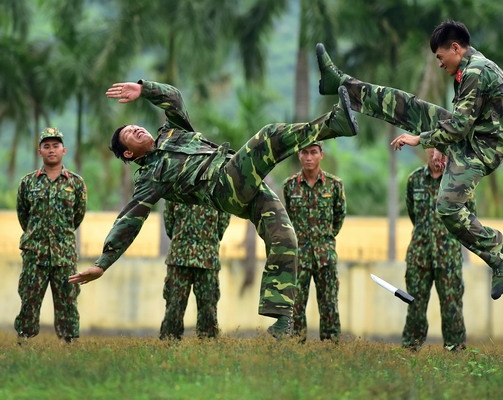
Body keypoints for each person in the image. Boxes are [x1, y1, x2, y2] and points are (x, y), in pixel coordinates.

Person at [68, 80, 358, 337]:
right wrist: (102, 262)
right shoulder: (150, 176)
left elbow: (175, 99)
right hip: (223, 185)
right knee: (268, 136)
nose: (135, 128)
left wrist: (144, 90)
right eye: (129, 134)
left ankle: (282, 321)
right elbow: (129, 218)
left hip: (243, 179)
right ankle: (335, 124)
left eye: (134, 126)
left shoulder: (172, 133)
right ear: (129, 153)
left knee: (284, 237)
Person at [316, 20, 503, 300]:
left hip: (479, 148)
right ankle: (340, 83)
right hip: (473, 137)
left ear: (456, 48)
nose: (439, 64)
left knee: (447, 208)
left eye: (440, 56)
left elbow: (459, 125)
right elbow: (461, 123)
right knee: (407, 107)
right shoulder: (474, 66)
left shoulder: (474, 71)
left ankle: (498, 255)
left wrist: (419, 139)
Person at [15, 128, 87, 344]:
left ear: (64, 150)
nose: (51, 150)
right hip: (34, 253)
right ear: (40, 152)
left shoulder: (75, 183)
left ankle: (68, 344)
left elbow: (78, 216)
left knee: (67, 300)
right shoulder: (28, 182)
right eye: (46, 146)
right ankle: (24, 341)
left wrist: (60, 237)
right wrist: (36, 236)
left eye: (55, 146)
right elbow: (23, 216)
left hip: (63, 253)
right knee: (29, 298)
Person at [401, 148, 475, 352]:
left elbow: (469, 219)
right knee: (415, 307)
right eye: (433, 149)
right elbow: (413, 215)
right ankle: (410, 352)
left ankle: (455, 354)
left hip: (448, 258)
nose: (437, 156)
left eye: (442, 151)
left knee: (452, 309)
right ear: (427, 149)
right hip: (419, 257)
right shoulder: (414, 180)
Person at [283, 141, 346, 342]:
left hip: (324, 256)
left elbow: (339, 218)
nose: (309, 157)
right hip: (298, 257)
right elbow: (285, 219)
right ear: (299, 155)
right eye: (304, 153)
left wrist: (325, 239)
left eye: (313, 152)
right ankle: (296, 346)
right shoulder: (289, 186)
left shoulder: (334, 185)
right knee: (296, 305)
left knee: (329, 305)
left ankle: (330, 349)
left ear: (321, 155)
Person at [160, 201, 231, 340]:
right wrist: (181, 241)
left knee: (208, 309)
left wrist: (209, 241)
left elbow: (223, 221)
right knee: (174, 306)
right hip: (179, 259)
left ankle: (208, 348)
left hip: (207, 260)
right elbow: (169, 220)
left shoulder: (216, 187)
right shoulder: (177, 186)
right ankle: (167, 346)